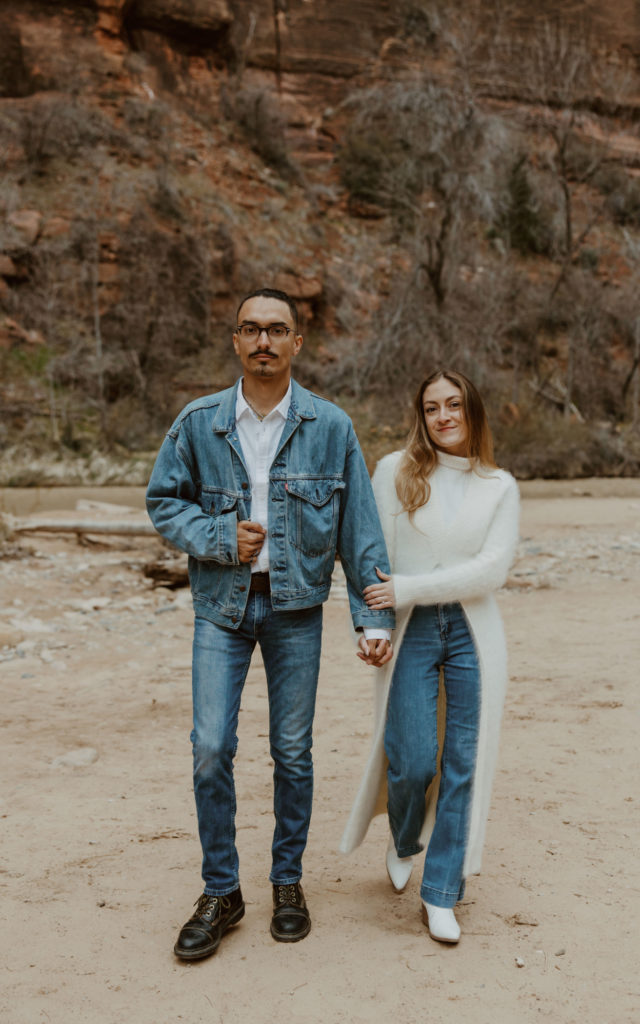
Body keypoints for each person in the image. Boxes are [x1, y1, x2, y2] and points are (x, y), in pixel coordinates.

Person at [146, 287, 394, 960]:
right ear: (234, 341)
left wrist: (371, 618)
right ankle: (221, 891)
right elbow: (162, 502)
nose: (263, 341)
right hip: (220, 609)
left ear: (296, 343)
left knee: (292, 753)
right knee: (208, 748)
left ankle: (287, 881)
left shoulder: (330, 425)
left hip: (296, 609)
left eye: (276, 330)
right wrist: (221, 536)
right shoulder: (198, 421)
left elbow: (360, 530)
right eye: (251, 330)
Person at [341, 369, 519, 943]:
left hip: (473, 630)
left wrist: (408, 588)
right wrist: (371, 625)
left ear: (474, 412)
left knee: (464, 763)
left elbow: (493, 570)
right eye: (432, 407)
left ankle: (441, 894)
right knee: (414, 758)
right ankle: (403, 834)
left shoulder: (500, 486)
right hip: (411, 629)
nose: (443, 416)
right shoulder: (396, 471)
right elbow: (369, 551)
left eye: (455, 405)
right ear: (420, 415)